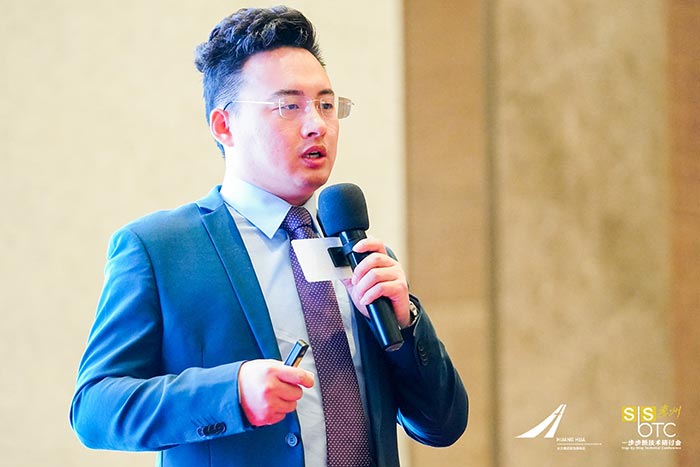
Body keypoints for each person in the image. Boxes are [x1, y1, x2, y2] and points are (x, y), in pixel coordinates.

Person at [70, 6, 467, 467]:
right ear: (224, 125)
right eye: (289, 106)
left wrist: (406, 326)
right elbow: (94, 409)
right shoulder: (160, 249)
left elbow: (443, 425)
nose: (317, 124)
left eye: (326, 105)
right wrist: (230, 393)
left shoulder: (358, 252)